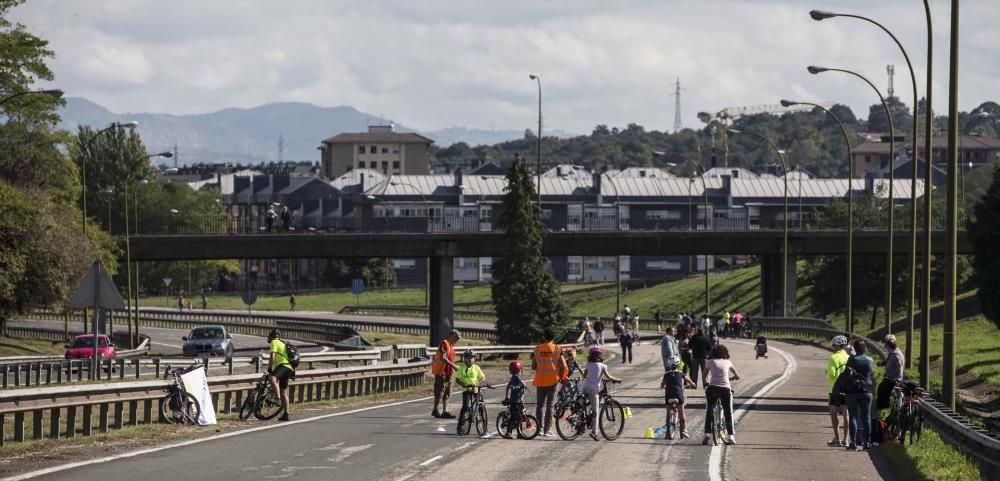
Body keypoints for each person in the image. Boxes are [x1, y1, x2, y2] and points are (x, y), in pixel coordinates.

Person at [531, 328, 567, 437]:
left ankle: (539, 429)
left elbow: (533, 366)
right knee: (550, 406)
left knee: (540, 405)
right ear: (553, 337)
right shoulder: (557, 349)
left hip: (540, 380)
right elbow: (564, 366)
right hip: (553, 380)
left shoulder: (537, 349)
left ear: (544, 336)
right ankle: (547, 430)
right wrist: (562, 376)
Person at [702, 344, 740, 445]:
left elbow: (704, 375)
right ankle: (731, 436)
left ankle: (707, 434)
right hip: (725, 389)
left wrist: (705, 383)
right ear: (725, 353)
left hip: (713, 388)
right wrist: (735, 376)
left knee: (709, 410)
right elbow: (736, 373)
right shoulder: (727, 362)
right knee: (728, 411)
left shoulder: (710, 361)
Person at [583, 346, 621, 441]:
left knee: (584, 405)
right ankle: (594, 432)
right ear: (600, 356)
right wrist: (617, 379)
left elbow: (584, 375)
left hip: (585, 387)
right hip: (593, 390)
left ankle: (582, 419)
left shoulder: (588, 364)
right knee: (595, 411)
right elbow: (609, 377)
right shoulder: (603, 366)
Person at [843, 340, 874, 451]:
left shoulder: (852, 360)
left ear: (855, 348)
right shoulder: (870, 360)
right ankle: (867, 443)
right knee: (866, 417)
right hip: (867, 391)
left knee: (853, 416)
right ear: (865, 348)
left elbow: (846, 373)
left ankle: (853, 443)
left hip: (852, 391)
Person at [662, 354, 696, 439]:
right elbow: (688, 380)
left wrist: (663, 386)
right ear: (678, 364)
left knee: (668, 413)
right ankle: (684, 430)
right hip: (678, 394)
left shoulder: (666, 374)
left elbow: (662, 384)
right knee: (682, 414)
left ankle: (667, 432)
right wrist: (692, 384)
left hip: (668, 395)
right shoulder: (681, 373)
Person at [825, 335, 851, 447]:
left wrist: (827, 373)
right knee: (846, 415)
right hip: (847, 389)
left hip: (834, 390)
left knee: (834, 414)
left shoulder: (833, 357)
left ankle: (837, 438)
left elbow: (832, 374)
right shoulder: (849, 357)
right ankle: (846, 439)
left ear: (836, 346)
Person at [454, 349, 486, 435]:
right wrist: (464, 385)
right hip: (466, 390)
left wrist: (477, 383)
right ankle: (460, 427)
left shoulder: (476, 368)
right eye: (467, 358)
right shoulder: (462, 368)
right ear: (464, 359)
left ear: (474, 359)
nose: (469, 359)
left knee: (481, 406)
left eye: (471, 358)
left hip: (476, 389)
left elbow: (482, 377)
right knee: (465, 406)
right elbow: (457, 379)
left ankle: (484, 427)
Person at [431, 330, 461, 419]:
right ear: (452, 335)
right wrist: (454, 366)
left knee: (448, 392)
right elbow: (443, 358)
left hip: (449, 372)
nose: (457, 340)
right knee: (439, 392)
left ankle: (445, 411)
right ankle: (435, 410)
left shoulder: (451, 346)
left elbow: (450, 358)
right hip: (442, 372)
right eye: (457, 338)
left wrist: (453, 367)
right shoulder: (444, 343)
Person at [267, 329, 294, 421]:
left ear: (271, 336)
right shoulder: (283, 343)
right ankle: (286, 414)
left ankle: (277, 399)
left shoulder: (274, 342)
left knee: (272, 378)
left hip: (282, 366)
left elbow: (272, 356)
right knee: (284, 392)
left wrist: (269, 368)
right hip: (289, 368)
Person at [876, 334, 905, 412]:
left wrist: (898, 378)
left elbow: (899, 365)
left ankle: (883, 408)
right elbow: (889, 362)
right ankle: (882, 407)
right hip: (890, 377)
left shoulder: (895, 354)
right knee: (881, 388)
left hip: (893, 379)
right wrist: (882, 364)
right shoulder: (892, 353)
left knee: (882, 389)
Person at [503, 360, 528, 438]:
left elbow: (508, 387)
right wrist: (524, 385)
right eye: (520, 369)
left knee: (519, 417)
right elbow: (522, 383)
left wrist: (507, 396)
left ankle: (519, 433)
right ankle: (508, 433)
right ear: (519, 370)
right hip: (514, 402)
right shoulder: (516, 377)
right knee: (514, 417)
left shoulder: (513, 378)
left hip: (518, 401)